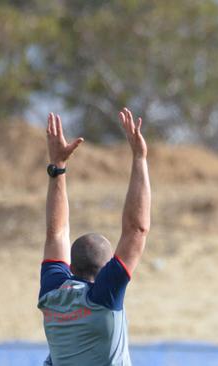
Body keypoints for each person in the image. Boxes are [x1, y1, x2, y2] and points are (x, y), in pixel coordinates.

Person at [38, 108, 150, 365]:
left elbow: (56, 232)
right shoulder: (103, 301)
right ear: (107, 271)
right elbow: (136, 230)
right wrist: (139, 158)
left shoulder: (52, 293)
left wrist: (58, 167)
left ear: (71, 266)